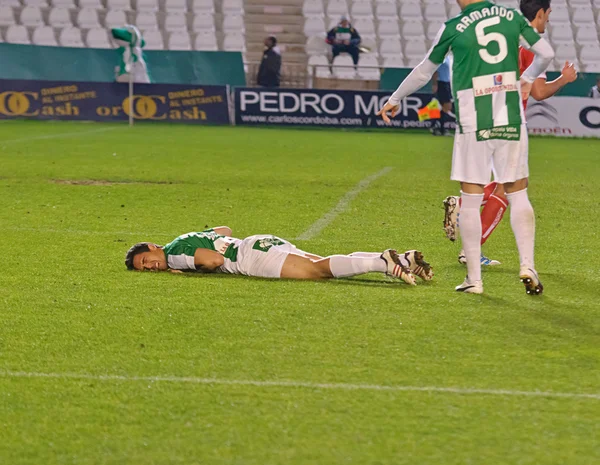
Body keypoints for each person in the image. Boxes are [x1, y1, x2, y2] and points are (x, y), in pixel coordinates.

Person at [377, 0, 555, 295]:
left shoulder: (453, 27)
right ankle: (528, 265)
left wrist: (395, 98)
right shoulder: (510, 16)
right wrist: (526, 79)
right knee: (518, 191)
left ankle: (474, 280)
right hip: (509, 116)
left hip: (473, 118)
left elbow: (424, 71)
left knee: (470, 200)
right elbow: (546, 53)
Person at [442, 0, 578, 269]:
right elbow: (538, 92)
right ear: (539, 14)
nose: (548, 21)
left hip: (478, 118)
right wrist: (564, 79)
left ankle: (463, 203)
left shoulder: (499, 36)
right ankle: (472, 250)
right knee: (509, 188)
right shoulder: (529, 48)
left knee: (498, 184)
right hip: (507, 124)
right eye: (548, 15)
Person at [125, 226, 434, 285]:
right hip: (259, 243)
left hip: (252, 259)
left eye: (145, 261)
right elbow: (224, 228)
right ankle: (405, 260)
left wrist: (186, 269)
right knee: (321, 263)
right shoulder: (183, 238)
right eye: (145, 270)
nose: (151, 267)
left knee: (317, 272)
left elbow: (215, 262)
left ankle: (383, 262)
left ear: (153, 246)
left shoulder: (175, 255)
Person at [430, 55, 454, 136]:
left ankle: (437, 127)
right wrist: (435, 84)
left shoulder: (448, 57)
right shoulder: (442, 58)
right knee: (447, 106)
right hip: (442, 83)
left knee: (444, 107)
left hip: (447, 83)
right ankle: (438, 127)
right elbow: (435, 71)